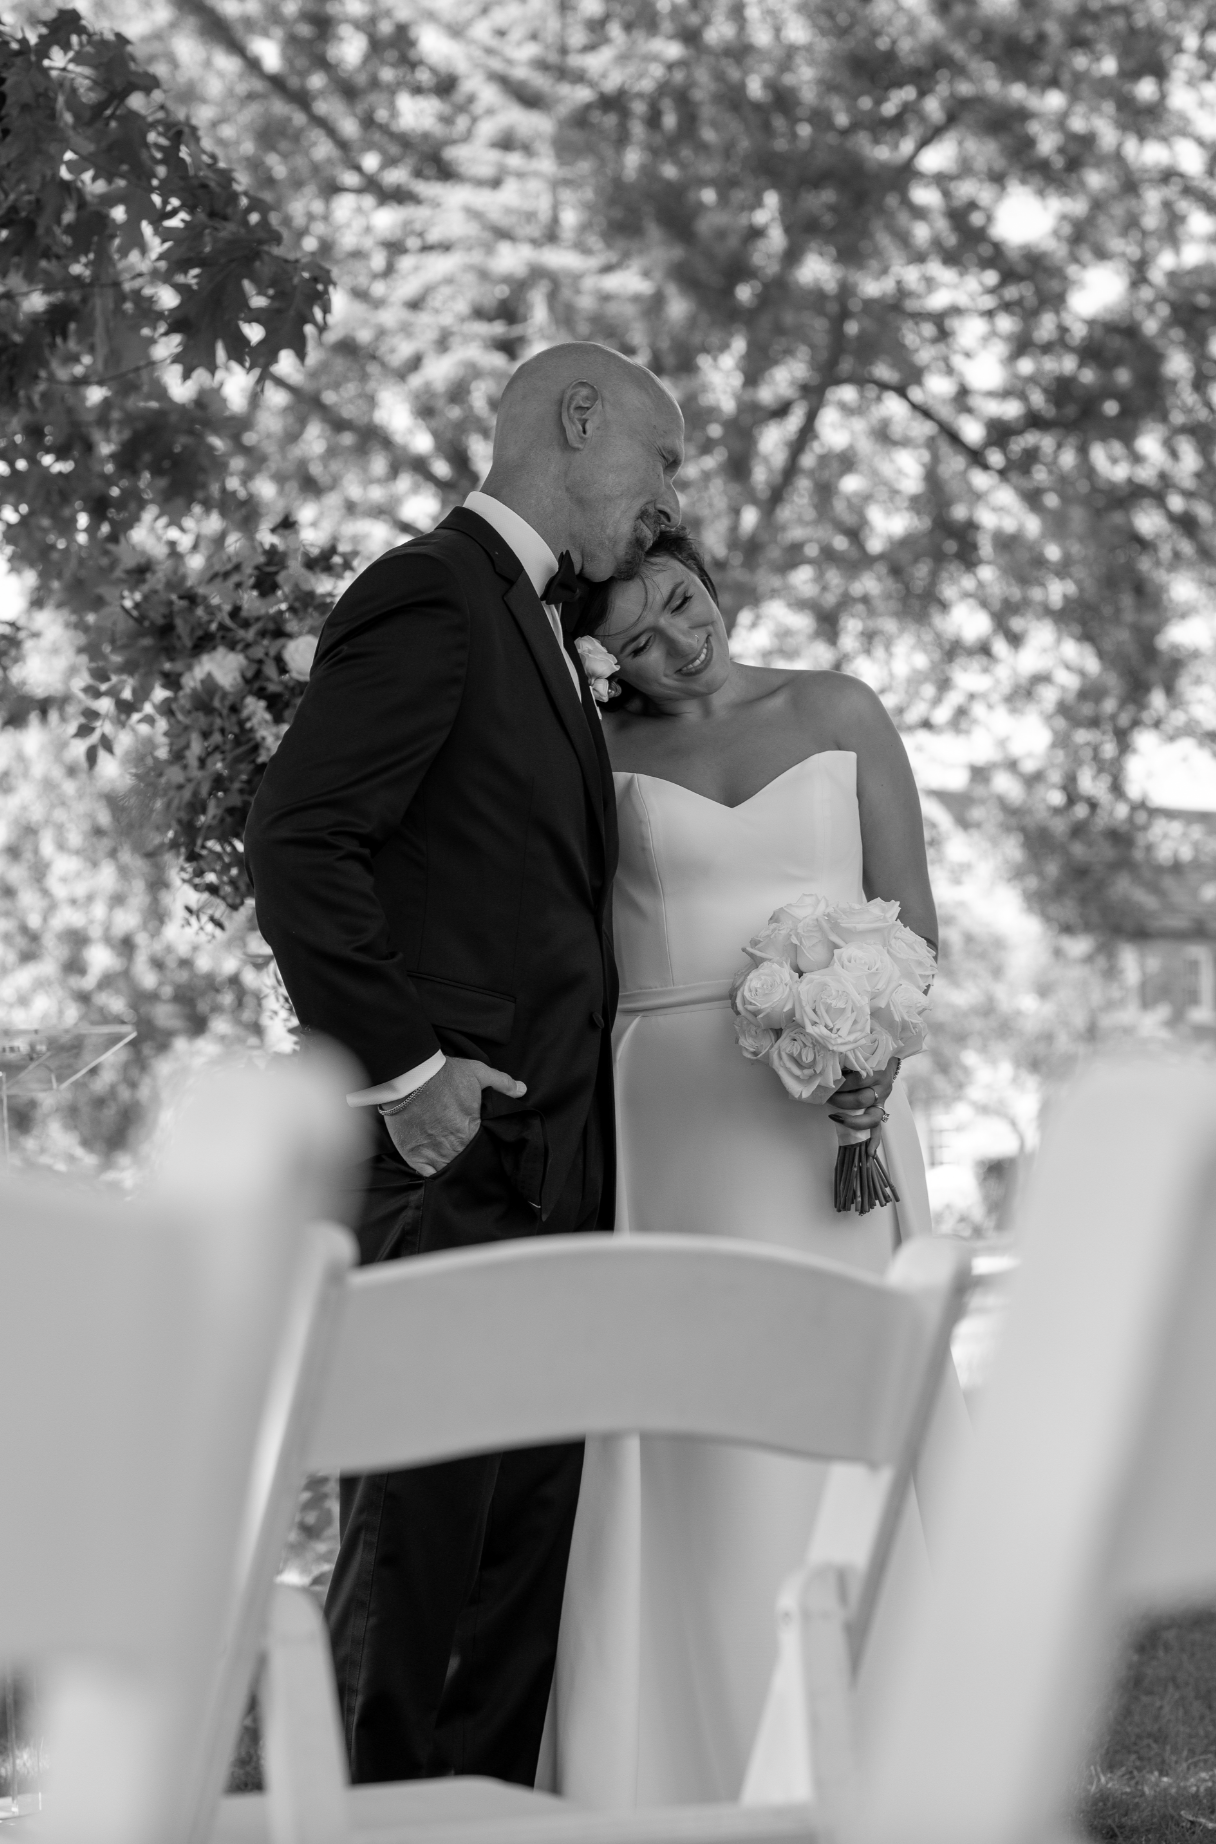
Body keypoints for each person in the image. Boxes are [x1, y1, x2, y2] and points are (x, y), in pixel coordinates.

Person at [244, 343, 683, 1787]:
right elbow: (300, 841)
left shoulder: (542, 626)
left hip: (551, 1177)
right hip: (450, 1174)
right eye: (660, 459)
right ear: (575, 418)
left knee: (509, 1601)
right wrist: (408, 1069)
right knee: (421, 1582)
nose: (666, 499)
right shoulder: (431, 591)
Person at [543, 524, 963, 1805]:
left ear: (703, 573)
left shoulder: (837, 708)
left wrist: (878, 1050)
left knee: (842, 1403)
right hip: (672, 1136)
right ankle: (694, 1753)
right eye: (637, 639)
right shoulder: (595, 760)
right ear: (598, 663)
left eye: (678, 599)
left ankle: (891, 1744)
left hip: (839, 1129)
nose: (677, 637)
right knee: (698, 1430)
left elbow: (913, 926)